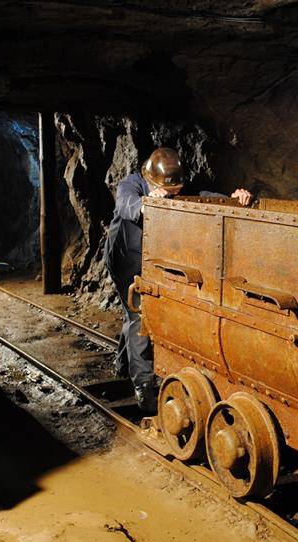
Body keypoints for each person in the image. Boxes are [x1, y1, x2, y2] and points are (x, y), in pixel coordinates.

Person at [104, 147, 252, 413]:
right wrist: (150, 202)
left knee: (136, 314)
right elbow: (128, 205)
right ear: (151, 180)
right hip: (126, 257)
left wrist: (233, 199)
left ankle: (123, 364)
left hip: (154, 259)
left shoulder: (179, 187)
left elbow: (202, 196)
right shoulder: (132, 184)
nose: (175, 196)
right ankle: (145, 388)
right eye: (169, 192)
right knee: (139, 315)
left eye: (177, 192)